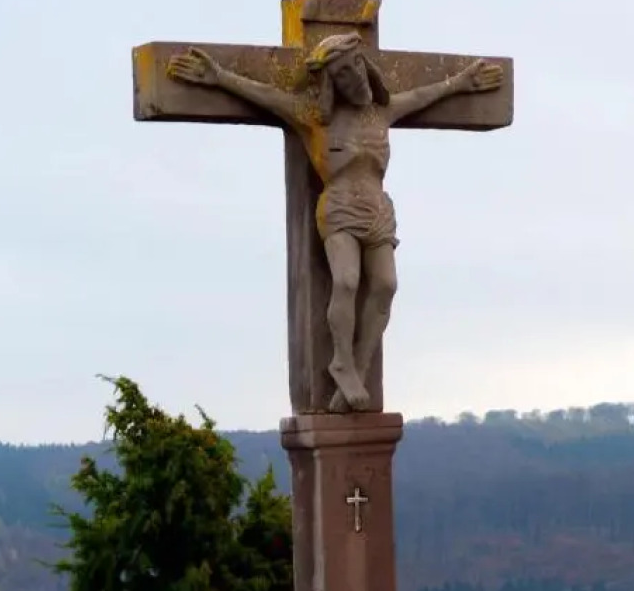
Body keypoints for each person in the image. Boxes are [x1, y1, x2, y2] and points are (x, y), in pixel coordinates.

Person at [168, 34, 502, 410]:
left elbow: (425, 95)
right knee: (345, 281)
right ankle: (340, 360)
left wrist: (462, 83)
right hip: (341, 206)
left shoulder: (381, 112)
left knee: (386, 285)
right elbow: (266, 96)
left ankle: (354, 367)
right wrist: (219, 77)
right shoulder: (314, 119)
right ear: (331, 84)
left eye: (356, 67)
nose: (354, 79)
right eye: (342, 76)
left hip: (378, 208)